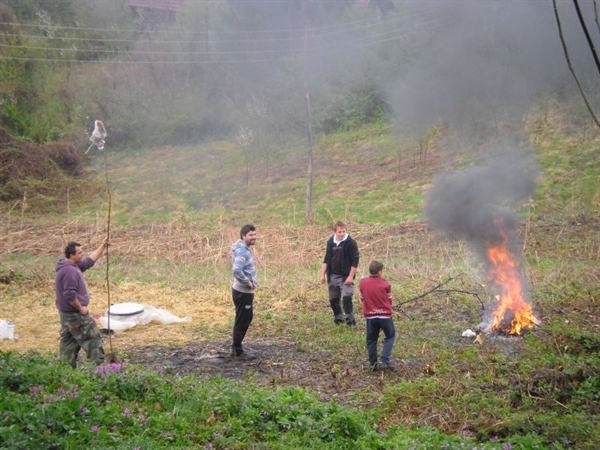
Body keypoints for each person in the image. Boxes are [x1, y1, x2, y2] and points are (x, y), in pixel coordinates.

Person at [55, 237, 109, 368]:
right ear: (71, 255)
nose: (82, 254)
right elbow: (69, 294)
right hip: (75, 315)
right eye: (79, 252)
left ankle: (65, 372)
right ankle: (104, 371)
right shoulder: (70, 271)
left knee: (68, 344)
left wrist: (103, 246)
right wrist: (81, 309)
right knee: (93, 340)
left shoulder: (71, 265)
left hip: (66, 315)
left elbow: (89, 261)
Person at [320, 221, 359, 327]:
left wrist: (351, 276)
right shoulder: (330, 242)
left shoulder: (351, 243)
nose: (342, 234)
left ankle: (351, 321)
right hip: (332, 275)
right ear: (335, 232)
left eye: (344, 231)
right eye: (339, 232)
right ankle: (338, 319)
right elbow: (326, 259)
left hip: (345, 276)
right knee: (333, 299)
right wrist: (322, 274)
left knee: (346, 298)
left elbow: (355, 261)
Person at [359, 260, 396, 371]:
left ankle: (372, 363)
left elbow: (362, 298)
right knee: (390, 336)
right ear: (380, 272)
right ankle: (384, 359)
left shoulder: (363, 282)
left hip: (370, 316)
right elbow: (389, 300)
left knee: (371, 339)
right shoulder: (385, 284)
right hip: (385, 316)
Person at [231, 224, 258, 359]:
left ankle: (237, 347)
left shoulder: (243, 247)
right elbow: (236, 270)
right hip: (242, 291)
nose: (254, 237)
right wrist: (247, 283)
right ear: (243, 236)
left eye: (254, 234)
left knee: (246, 317)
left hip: (243, 291)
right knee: (243, 319)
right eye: (250, 235)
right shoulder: (242, 251)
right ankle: (237, 350)